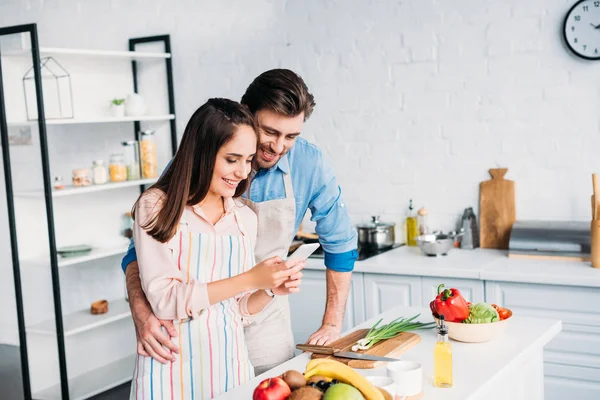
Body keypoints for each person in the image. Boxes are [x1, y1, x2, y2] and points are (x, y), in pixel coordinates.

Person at [122, 69, 358, 375]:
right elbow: (140, 251)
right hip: (186, 321)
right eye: (270, 132)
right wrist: (141, 312)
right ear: (247, 113)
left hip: (259, 315)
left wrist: (331, 324)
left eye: (291, 137)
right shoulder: (193, 163)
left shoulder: (308, 164)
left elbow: (340, 244)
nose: (278, 146)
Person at [128, 98, 304, 399]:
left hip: (229, 369)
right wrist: (252, 279)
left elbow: (236, 311)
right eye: (231, 159)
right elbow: (165, 300)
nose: (242, 172)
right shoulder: (157, 207)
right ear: (202, 155)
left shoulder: (244, 218)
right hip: (171, 370)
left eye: (248, 160)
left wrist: (271, 289)